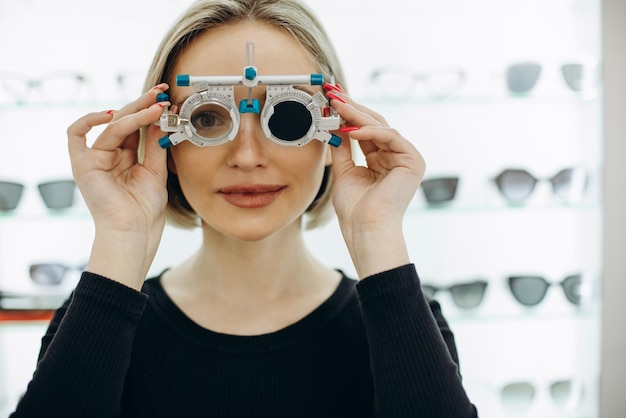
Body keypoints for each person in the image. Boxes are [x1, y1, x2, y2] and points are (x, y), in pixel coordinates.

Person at [11, 0, 478, 417]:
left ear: (336, 126)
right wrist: (121, 240)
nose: (248, 155)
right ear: (162, 136)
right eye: (208, 117)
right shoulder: (95, 320)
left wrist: (377, 237)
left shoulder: (405, 323)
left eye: (289, 116)